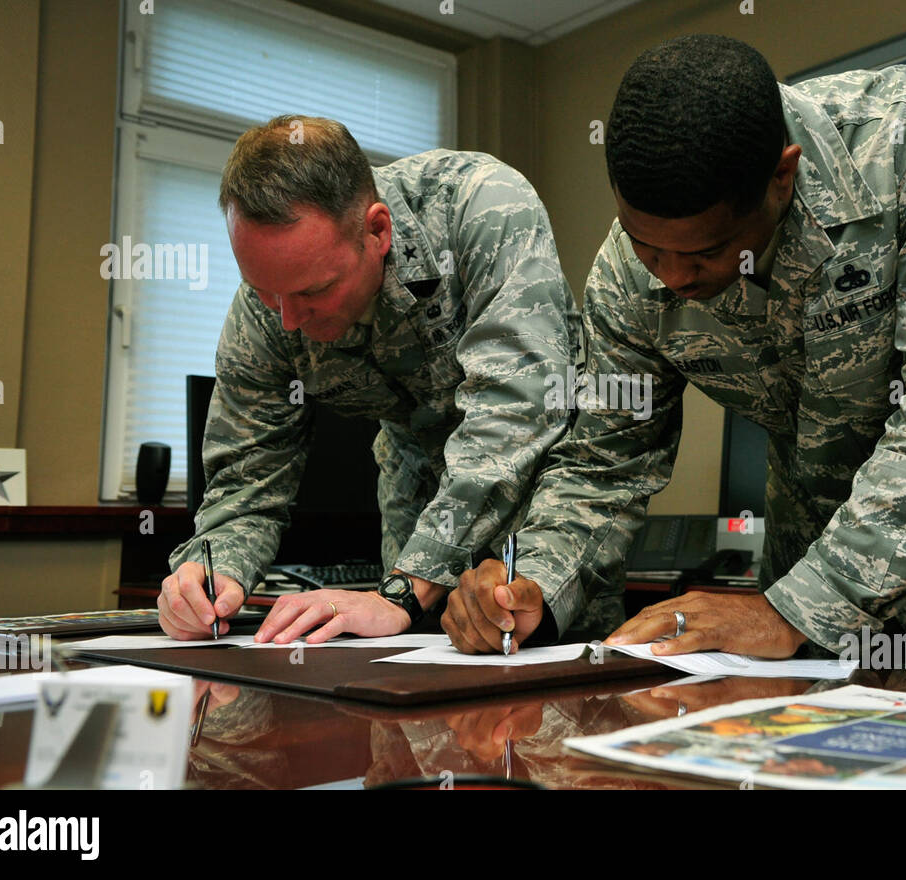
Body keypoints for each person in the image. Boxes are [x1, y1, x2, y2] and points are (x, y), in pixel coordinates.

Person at [455, 35, 906, 685]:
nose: (670, 278)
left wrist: (795, 607)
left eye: (703, 254)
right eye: (645, 246)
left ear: (783, 174)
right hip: (816, 622)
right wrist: (535, 582)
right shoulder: (626, 281)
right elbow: (606, 458)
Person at [161, 116, 616, 648]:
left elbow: (515, 411)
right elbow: (247, 473)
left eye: (314, 290)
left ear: (377, 231)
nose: (286, 318)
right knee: (403, 689)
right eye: (264, 291)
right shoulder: (269, 307)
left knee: (550, 690)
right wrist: (209, 576)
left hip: (548, 493)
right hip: (418, 499)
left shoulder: (481, 206)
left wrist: (403, 590)